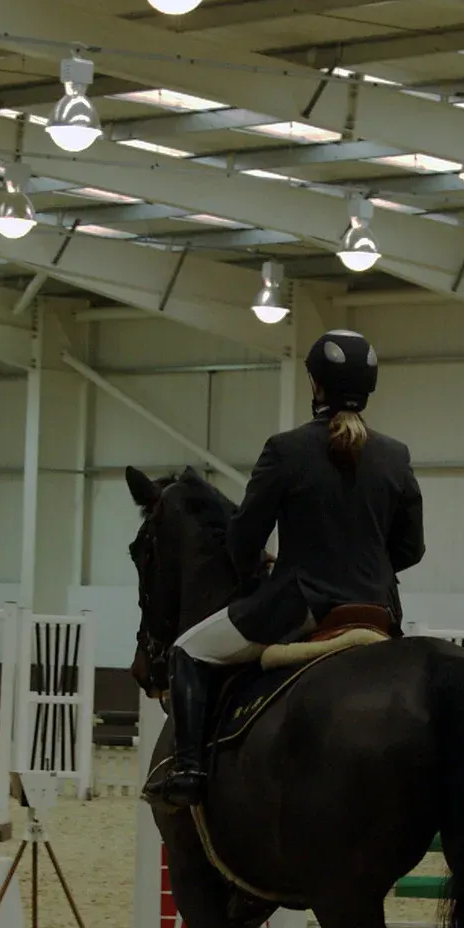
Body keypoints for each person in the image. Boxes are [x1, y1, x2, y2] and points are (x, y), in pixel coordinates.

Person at [150, 329, 424, 807]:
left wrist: (255, 570)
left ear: (315, 384)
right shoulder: (395, 455)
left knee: (188, 650)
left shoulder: (286, 449)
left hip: (302, 607)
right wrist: (367, 569)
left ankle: (189, 769)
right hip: (378, 611)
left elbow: (243, 540)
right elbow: (411, 548)